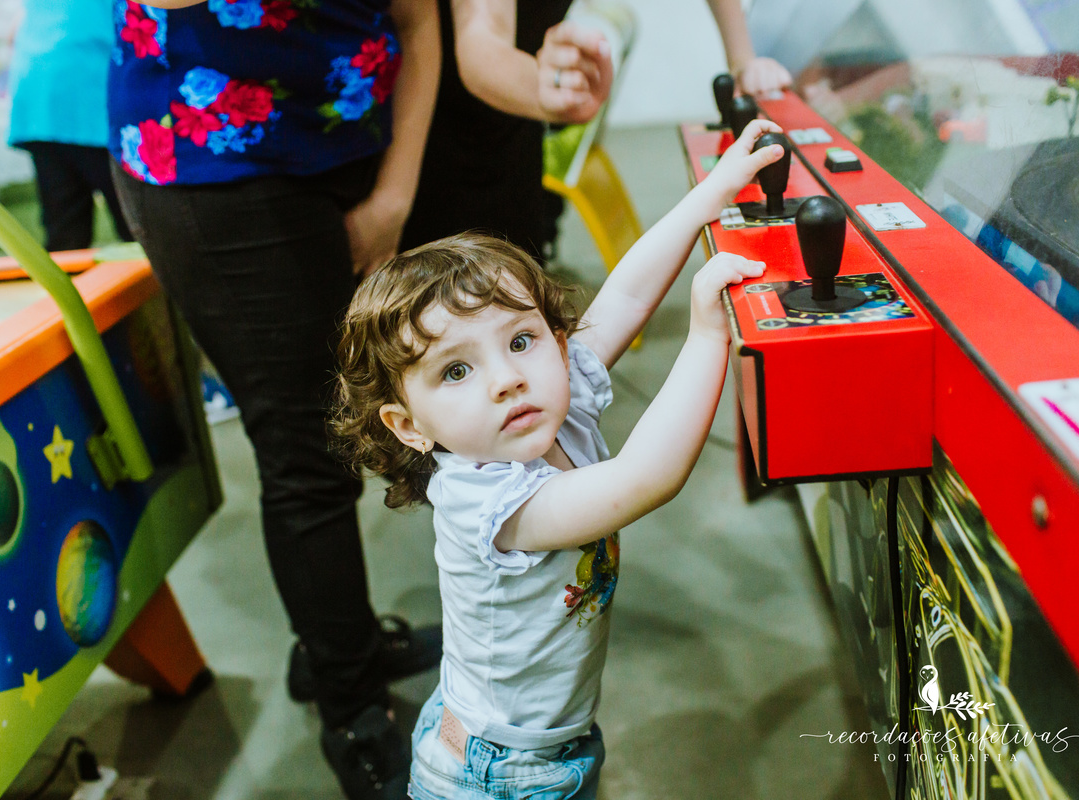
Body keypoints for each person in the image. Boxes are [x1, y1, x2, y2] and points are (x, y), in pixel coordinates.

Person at [332, 118, 785, 799]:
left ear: (556, 335)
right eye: (455, 372)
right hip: (500, 776)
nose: (505, 378)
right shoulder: (487, 498)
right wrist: (706, 336)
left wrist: (711, 195)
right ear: (409, 426)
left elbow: (627, 295)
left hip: (545, 743)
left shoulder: (549, 405)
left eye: (520, 341)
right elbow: (645, 478)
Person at [107, 1, 440, 798]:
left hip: (348, 143)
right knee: (310, 452)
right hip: (214, 166)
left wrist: (395, 193)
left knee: (364, 424)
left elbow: (420, 19)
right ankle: (352, 710)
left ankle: (337, 643)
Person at [399, 0, 792, 263]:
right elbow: (479, 39)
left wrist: (741, 57)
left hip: (515, 123)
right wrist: (544, 86)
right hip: (430, 121)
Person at [7, 0, 134, 252]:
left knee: (64, 227)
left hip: (38, 89)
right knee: (135, 220)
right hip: (88, 86)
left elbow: (13, 31)